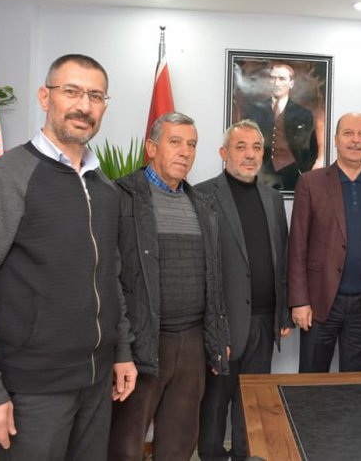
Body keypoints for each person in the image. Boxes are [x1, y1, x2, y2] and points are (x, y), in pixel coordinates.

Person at [0, 54, 137, 460]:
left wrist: (121, 352)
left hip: (96, 384)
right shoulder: (7, 177)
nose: (84, 105)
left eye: (95, 96)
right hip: (32, 391)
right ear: (45, 97)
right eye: (72, 91)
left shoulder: (105, 189)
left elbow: (110, 279)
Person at [108, 112, 229, 460]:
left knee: (179, 442)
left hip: (192, 343)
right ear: (151, 147)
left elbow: (214, 276)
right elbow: (108, 277)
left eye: (191, 144)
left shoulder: (202, 204)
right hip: (143, 341)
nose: (185, 152)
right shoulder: (121, 196)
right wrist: (121, 348)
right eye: (175, 142)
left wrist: (217, 337)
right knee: (125, 444)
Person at [195, 119, 292, 461]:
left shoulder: (272, 198)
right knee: (215, 402)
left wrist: (283, 313)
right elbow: (200, 265)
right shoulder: (202, 195)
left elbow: (281, 257)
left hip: (264, 321)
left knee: (251, 402)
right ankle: (211, 455)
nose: (250, 155)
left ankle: (243, 455)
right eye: (241, 147)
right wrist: (212, 327)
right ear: (224, 153)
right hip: (223, 322)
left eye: (256, 148)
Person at [288, 112, 361, 373]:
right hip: (319, 302)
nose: (355, 140)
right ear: (336, 139)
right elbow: (297, 246)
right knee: (311, 384)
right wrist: (299, 301)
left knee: (356, 386)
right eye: (348, 133)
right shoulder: (310, 182)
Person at [244, 63, 317, 191]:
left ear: (291, 83)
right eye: (273, 78)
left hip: (292, 174)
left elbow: (311, 149)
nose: (276, 83)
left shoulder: (303, 114)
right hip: (261, 174)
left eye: (282, 79)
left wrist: (302, 170)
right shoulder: (254, 111)